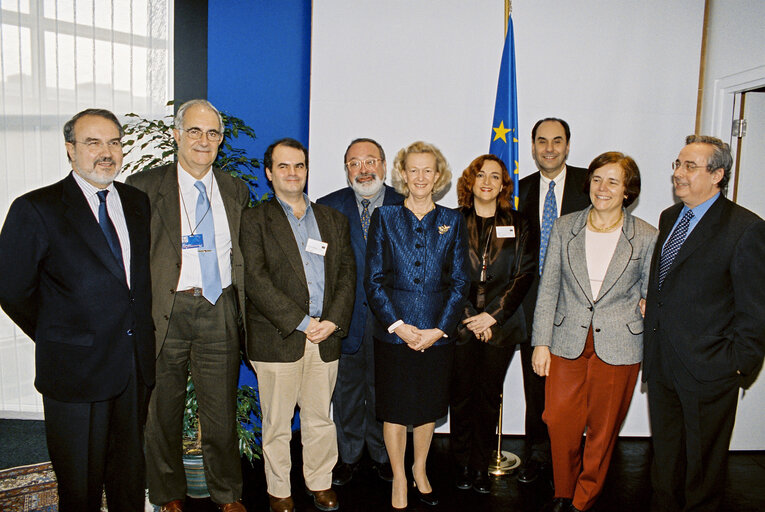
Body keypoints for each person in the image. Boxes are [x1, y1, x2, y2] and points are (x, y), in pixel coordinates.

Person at [0, 109, 154, 511]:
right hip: (74, 371)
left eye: (114, 142)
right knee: (80, 485)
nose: (106, 152)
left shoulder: (137, 203)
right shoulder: (36, 208)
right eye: (93, 142)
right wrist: (59, 333)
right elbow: (12, 289)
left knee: (128, 478)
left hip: (132, 368)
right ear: (70, 150)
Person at [126, 99, 250, 512]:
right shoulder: (144, 187)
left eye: (212, 133)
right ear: (176, 135)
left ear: (220, 140)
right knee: (163, 409)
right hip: (168, 311)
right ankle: (166, 494)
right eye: (194, 131)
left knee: (221, 410)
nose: (203, 140)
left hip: (219, 308)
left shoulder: (235, 189)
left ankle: (227, 493)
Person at [643, 135, 765, 512]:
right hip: (663, 363)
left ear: (717, 175)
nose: (678, 174)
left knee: (702, 471)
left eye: (689, 167)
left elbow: (755, 309)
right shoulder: (669, 216)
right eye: (678, 165)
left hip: (710, 371)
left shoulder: (745, 228)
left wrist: (737, 365)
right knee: (665, 461)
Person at [531, 151, 657, 512]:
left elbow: (653, 291)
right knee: (558, 419)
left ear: (627, 190)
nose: (603, 188)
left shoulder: (646, 235)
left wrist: (648, 306)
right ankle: (563, 489)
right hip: (566, 338)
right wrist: (541, 343)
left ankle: (583, 498)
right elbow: (549, 288)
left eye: (613, 181)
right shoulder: (564, 227)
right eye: (598, 179)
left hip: (620, 342)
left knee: (603, 429)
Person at [241, 138, 356, 512]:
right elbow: (255, 281)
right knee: (276, 422)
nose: (293, 173)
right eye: (284, 166)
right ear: (269, 172)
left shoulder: (333, 220)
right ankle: (278, 490)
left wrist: (332, 320)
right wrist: (304, 322)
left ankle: (320, 482)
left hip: (325, 336)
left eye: (300, 166)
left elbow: (346, 276)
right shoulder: (254, 220)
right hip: (280, 337)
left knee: (320, 417)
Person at [364, 141, 470, 510]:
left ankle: (420, 470)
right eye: (413, 169)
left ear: (438, 175)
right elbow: (373, 280)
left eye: (428, 170)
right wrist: (399, 326)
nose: (421, 177)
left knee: (427, 410)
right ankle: (398, 478)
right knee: (394, 410)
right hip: (394, 335)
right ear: (402, 174)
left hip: (437, 336)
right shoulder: (385, 217)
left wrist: (438, 330)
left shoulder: (453, 221)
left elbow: (460, 282)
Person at [317, 138, 403, 485]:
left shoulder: (406, 202)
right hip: (346, 319)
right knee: (348, 392)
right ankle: (349, 455)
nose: (363, 170)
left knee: (386, 392)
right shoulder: (328, 206)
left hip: (393, 321)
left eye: (370, 161)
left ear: (384, 165)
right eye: (355, 163)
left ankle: (384, 455)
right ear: (346, 169)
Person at [450, 154, 536, 494]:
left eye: (495, 176)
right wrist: (472, 316)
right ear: (470, 181)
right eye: (480, 174)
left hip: (501, 328)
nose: (487, 181)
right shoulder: (452, 221)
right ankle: (461, 466)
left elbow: (524, 274)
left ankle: (480, 466)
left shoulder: (519, 222)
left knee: (488, 398)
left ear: (504, 185)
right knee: (460, 397)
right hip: (460, 325)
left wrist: (492, 315)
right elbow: (448, 274)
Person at [517, 117, 591, 483]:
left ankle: (572, 457)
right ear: (533, 147)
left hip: (579, 305)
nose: (549, 148)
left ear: (568, 145)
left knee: (576, 391)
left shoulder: (590, 184)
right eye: (542, 141)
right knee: (536, 386)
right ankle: (536, 454)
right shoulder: (519, 190)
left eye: (557, 141)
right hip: (530, 306)